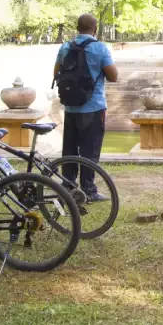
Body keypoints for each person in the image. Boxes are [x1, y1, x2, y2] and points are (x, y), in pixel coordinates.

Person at [53, 13, 118, 202]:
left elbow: (56, 72)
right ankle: (88, 190)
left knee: (70, 149)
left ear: (77, 28)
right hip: (93, 107)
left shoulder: (65, 47)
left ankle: (68, 187)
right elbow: (113, 76)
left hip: (71, 108)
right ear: (95, 29)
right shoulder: (99, 48)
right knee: (90, 150)